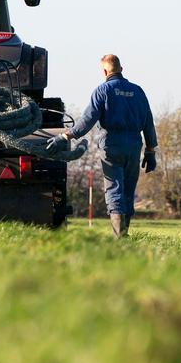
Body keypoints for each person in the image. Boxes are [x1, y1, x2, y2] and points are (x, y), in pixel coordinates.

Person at [57, 54, 157, 238]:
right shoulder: (138, 91)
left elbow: (87, 120)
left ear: (104, 71)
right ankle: (124, 233)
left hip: (111, 147)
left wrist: (66, 135)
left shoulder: (102, 91)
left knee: (114, 189)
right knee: (128, 190)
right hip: (134, 148)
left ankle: (119, 236)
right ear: (121, 68)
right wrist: (151, 150)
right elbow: (148, 122)